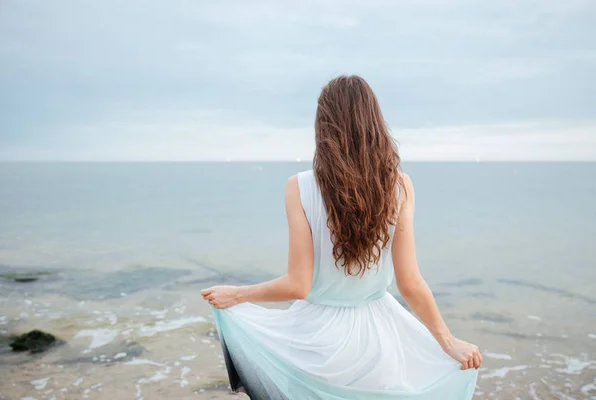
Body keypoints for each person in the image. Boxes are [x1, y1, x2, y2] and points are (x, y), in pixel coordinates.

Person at [201, 75, 480, 399]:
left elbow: (298, 285)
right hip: (379, 342)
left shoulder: (299, 188)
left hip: (314, 342)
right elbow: (411, 282)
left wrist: (238, 295)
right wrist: (448, 341)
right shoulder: (399, 187)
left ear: (324, 128)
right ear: (374, 124)